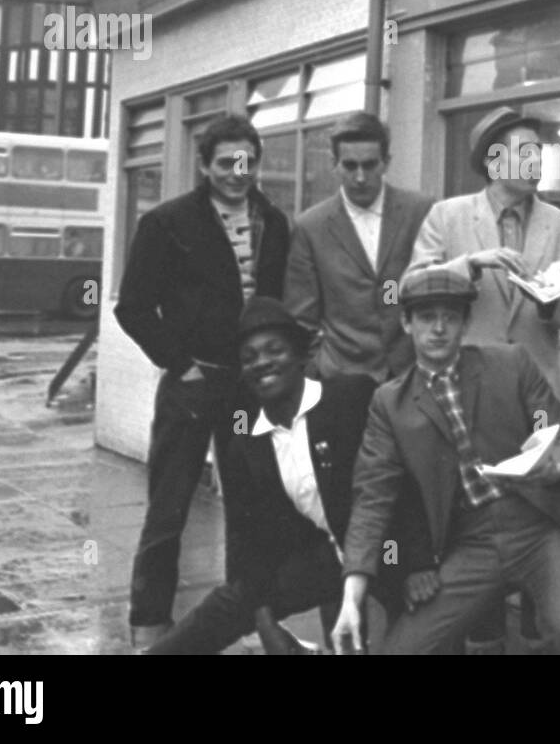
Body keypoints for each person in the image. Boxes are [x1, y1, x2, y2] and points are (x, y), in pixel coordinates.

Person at [330, 264, 560, 655]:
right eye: (427, 317)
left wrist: (556, 467)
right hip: (469, 543)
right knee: (402, 649)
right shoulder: (390, 404)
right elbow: (372, 498)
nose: (439, 328)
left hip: (538, 524)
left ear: (465, 323)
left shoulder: (511, 364)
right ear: (407, 323)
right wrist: (351, 593)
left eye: (451, 317)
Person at [409, 105, 560, 652]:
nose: (535, 161)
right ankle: (486, 639)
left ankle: (544, 635)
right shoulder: (448, 218)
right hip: (466, 402)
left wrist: (552, 299)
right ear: (492, 160)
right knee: (476, 530)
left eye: (539, 152)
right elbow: (409, 287)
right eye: (523, 151)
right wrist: (470, 264)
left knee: (546, 517)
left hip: (538, 404)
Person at [145, 298, 424, 654]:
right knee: (233, 602)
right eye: (249, 357)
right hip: (328, 555)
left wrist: (419, 562)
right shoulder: (247, 442)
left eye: (274, 350)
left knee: (417, 637)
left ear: (299, 355)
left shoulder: (351, 398)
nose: (262, 362)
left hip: (387, 547)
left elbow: (403, 483)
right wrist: (265, 623)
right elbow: (251, 542)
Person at [114, 114, 290, 649]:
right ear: (204, 164)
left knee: (251, 506)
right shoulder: (167, 223)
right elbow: (134, 307)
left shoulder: (274, 223)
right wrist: (178, 363)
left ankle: (245, 618)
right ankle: (149, 625)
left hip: (250, 388)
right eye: (226, 163)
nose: (238, 173)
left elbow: (275, 302)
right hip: (192, 387)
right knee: (169, 508)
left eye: (248, 162)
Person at [283, 111, 433, 383]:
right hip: (343, 376)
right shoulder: (310, 226)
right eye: (350, 166)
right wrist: (320, 366)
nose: (360, 177)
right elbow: (301, 316)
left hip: (414, 371)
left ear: (386, 163)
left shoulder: (420, 211)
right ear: (334, 165)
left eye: (370, 165)